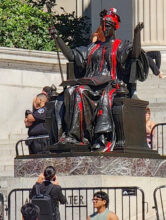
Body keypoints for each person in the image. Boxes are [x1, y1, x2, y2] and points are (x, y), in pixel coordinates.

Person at [49, 8, 145, 151]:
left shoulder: (121, 45)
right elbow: (72, 56)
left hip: (110, 85)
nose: (104, 28)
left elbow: (135, 55)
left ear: (114, 28)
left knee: (80, 91)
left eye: (108, 26)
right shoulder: (93, 47)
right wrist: (58, 39)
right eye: (103, 25)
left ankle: (78, 137)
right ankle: (72, 137)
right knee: (70, 91)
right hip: (92, 84)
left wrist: (136, 34)